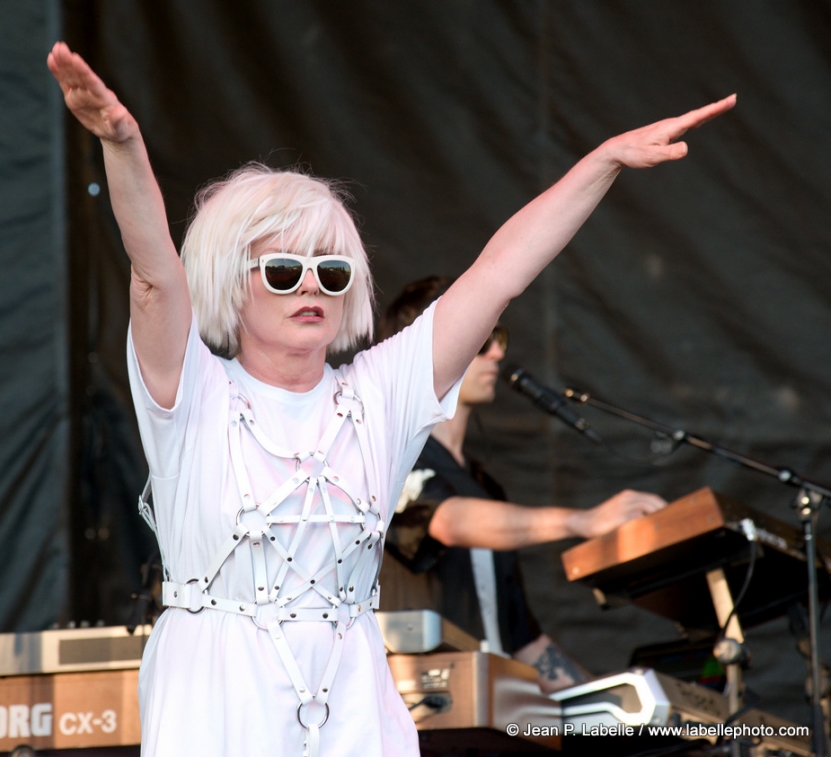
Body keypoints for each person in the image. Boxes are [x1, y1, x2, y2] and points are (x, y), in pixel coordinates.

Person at [47, 40, 734, 757]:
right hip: (218, 704)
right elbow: (154, 270)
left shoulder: (378, 394)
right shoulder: (193, 391)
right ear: (229, 281)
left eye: (332, 269)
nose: (311, 284)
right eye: (283, 269)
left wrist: (603, 163)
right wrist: (122, 144)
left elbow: (500, 271)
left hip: (352, 713)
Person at [376, 276, 668, 693]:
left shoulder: (487, 489)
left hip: (491, 715)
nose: (497, 352)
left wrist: (614, 701)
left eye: (498, 338)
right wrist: (582, 521)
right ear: (426, 348)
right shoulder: (387, 455)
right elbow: (448, 522)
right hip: (419, 716)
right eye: (481, 339)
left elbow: (523, 641)